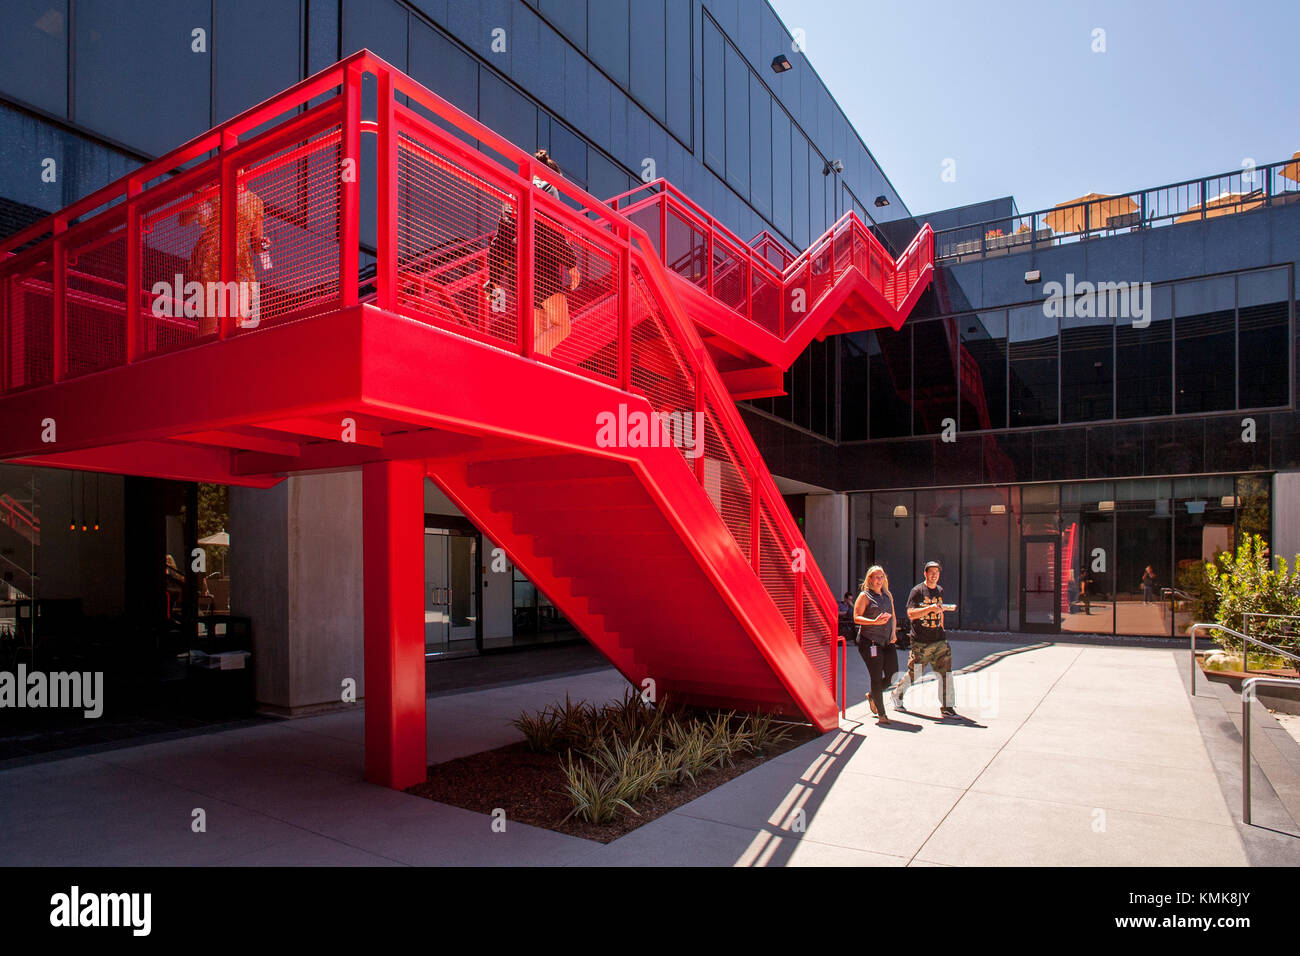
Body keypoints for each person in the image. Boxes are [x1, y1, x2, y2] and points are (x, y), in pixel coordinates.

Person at [485, 148, 580, 356]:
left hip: (517, 273)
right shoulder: (548, 187)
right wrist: (572, 263)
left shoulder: (514, 194)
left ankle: (537, 384)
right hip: (541, 268)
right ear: (552, 175)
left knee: (541, 333)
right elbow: (552, 231)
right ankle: (521, 373)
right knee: (562, 326)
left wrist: (493, 279)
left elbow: (499, 242)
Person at [893, 560, 959, 717]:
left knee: (945, 673)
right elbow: (910, 614)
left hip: (939, 640)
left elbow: (940, 611)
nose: (934, 575)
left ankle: (947, 707)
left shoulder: (939, 590)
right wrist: (929, 608)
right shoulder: (917, 591)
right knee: (915, 672)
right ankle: (897, 694)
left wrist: (941, 625)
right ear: (925, 573)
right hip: (921, 641)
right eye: (931, 572)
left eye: (937, 572)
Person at [853, 566, 898, 725]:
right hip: (870, 642)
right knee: (876, 677)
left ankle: (872, 695)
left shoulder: (887, 595)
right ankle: (882, 714)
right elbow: (857, 618)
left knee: (893, 673)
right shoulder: (864, 596)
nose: (879, 579)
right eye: (875, 577)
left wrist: (893, 633)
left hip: (887, 641)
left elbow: (893, 615)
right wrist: (873, 621)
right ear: (870, 579)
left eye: (881, 576)